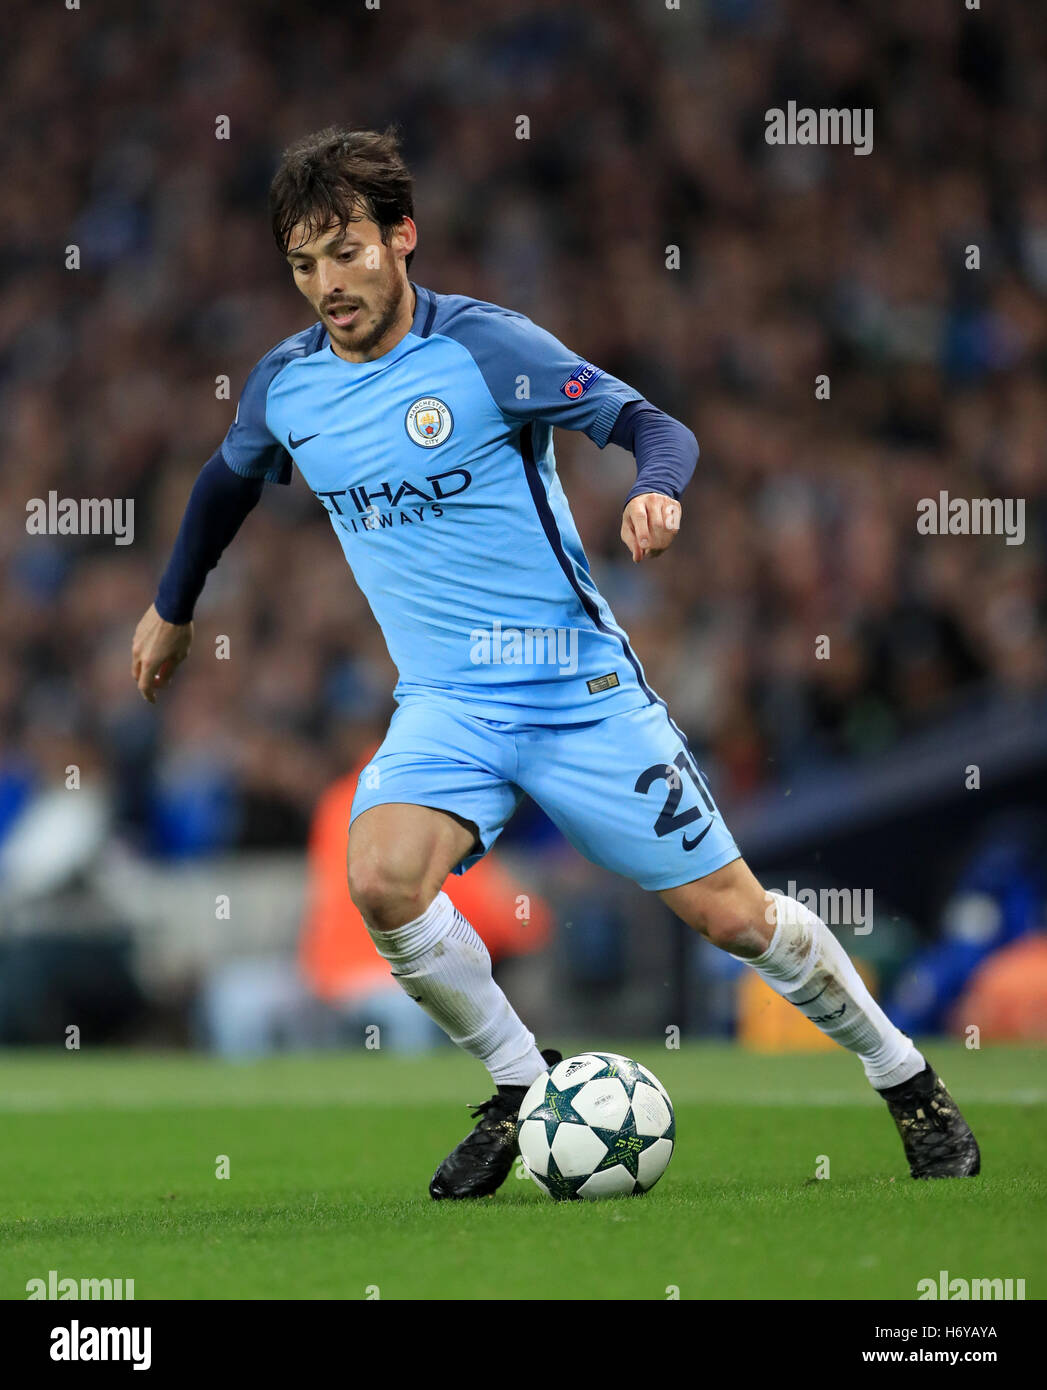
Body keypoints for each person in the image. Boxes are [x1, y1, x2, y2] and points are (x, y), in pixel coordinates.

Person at [132, 126, 979, 1197]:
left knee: (736, 918)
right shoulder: (287, 386)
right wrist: (170, 609)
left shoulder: (487, 350)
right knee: (381, 880)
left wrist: (655, 488)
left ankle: (905, 1076)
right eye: (303, 263)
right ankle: (520, 1085)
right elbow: (222, 485)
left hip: (580, 696)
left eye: (345, 250)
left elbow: (650, 423)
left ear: (402, 238)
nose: (327, 283)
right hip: (448, 704)